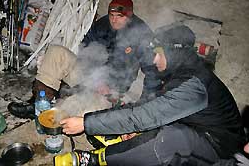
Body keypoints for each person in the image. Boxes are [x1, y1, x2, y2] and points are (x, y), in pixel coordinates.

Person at [57, 24, 246, 166]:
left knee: (171, 138)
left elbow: (147, 116)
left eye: (157, 53)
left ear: (173, 53)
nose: (153, 59)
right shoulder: (182, 73)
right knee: (149, 123)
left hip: (221, 150)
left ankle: (96, 159)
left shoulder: (193, 85)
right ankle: (122, 149)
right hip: (198, 130)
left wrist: (86, 123)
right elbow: (151, 105)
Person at [8, 0, 160, 118]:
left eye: (119, 16)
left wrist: (145, 105)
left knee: (78, 111)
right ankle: (38, 104)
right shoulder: (103, 24)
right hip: (90, 74)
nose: (114, 20)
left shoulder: (141, 33)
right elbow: (85, 47)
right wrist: (94, 77)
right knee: (56, 52)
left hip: (111, 89)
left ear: (129, 16)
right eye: (111, 15)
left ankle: (54, 112)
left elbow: (153, 70)